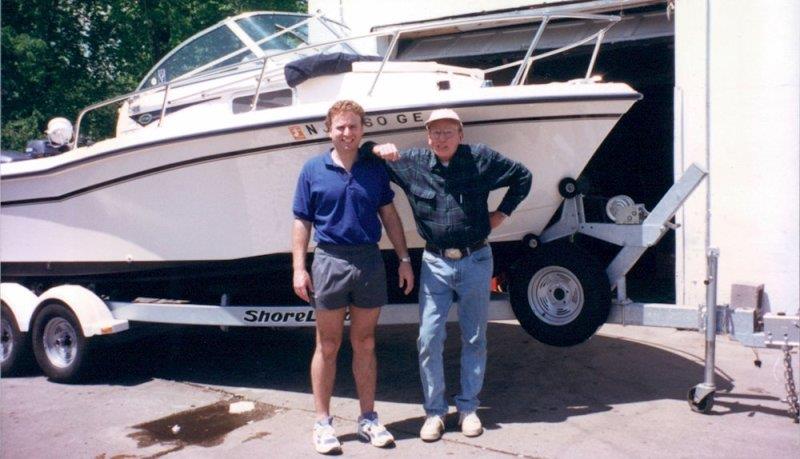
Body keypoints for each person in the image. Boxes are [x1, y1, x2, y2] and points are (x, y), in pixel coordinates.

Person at [368, 108, 532, 441]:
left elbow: (523, 177)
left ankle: (468, 408)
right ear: (428, 137)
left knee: (475, 337)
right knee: (429, 338)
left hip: (476, 260)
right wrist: (376, 147)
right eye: (435, 133)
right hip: (435, 264)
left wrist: (500, 216)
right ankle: (435, 412)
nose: (441, 139)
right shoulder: (411, 163)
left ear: (461, 134)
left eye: (448, 132)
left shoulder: (481, 159)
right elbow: (365, 153)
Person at [292, 100, 415, 454]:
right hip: (329, 260)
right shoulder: (312, 170)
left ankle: (368, 419)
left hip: (368, 261)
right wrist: (299, 267)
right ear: (329, 130)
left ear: (363, 130)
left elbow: (390, 215)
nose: (347, 133)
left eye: (354, 127)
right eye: (341, 127)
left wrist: (404, 259)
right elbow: (302, 221)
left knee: (365, 343)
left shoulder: (373, 169)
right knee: (327, 345)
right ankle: (322, 423)